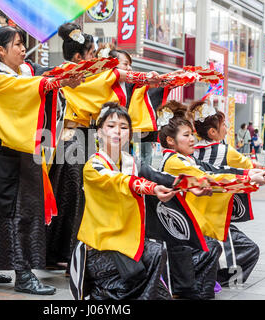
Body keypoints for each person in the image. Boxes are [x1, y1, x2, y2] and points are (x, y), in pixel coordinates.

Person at [0, 26, 84, 295]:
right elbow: (30, 88)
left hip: (21, 147)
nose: (23, 49)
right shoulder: (0, 77)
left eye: (23, 44)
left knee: (7, 209)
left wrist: (62, 78)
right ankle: (23, 274)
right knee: (22, 211)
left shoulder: (23, 71)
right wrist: (57, 82)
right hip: (12, 148)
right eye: (18, 45)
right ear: (1, 51)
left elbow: (38, 82)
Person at [46, 23, 163, 271]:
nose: (95, 59)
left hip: (85, 135)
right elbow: (114, 77)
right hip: (73, 137)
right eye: (90, 54)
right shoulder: (69, 73)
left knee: (80, 195)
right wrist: (131, 75)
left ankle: (70, 252)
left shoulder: (89, 75)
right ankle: (70, 253)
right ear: (78, 56)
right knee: (74, 196)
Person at [154, 100, 265, 299]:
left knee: (214, 250)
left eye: (192, 134)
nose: (192, 140)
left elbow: (214, 170)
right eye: (187, 135)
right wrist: (249, 177)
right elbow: (209, 177)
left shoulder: (184, 158)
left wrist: (248, 175)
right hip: (184, 228)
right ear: (170, 140)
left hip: (190, 222)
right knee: (216, 249)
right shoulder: (176, 161)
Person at [70, 103, 176, 300]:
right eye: (111, 126)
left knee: (156, 253)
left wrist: (195, 182)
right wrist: (152, 189)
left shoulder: (131, 162)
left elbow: (160, 176)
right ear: (98, 133)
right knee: (139, 270)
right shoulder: (93, 166)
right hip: (102, 249)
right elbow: (119, 180)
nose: (118, 130)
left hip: (127, 243)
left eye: (124, 127)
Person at [189, 100, 260, 289]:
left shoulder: (189, 151)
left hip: (192, 213)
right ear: (212, 132)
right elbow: (250, 167)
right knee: (249, 249)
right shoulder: (225, 150)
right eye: (224, 125)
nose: (227, 128)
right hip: (215, 215)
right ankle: (216, 279)